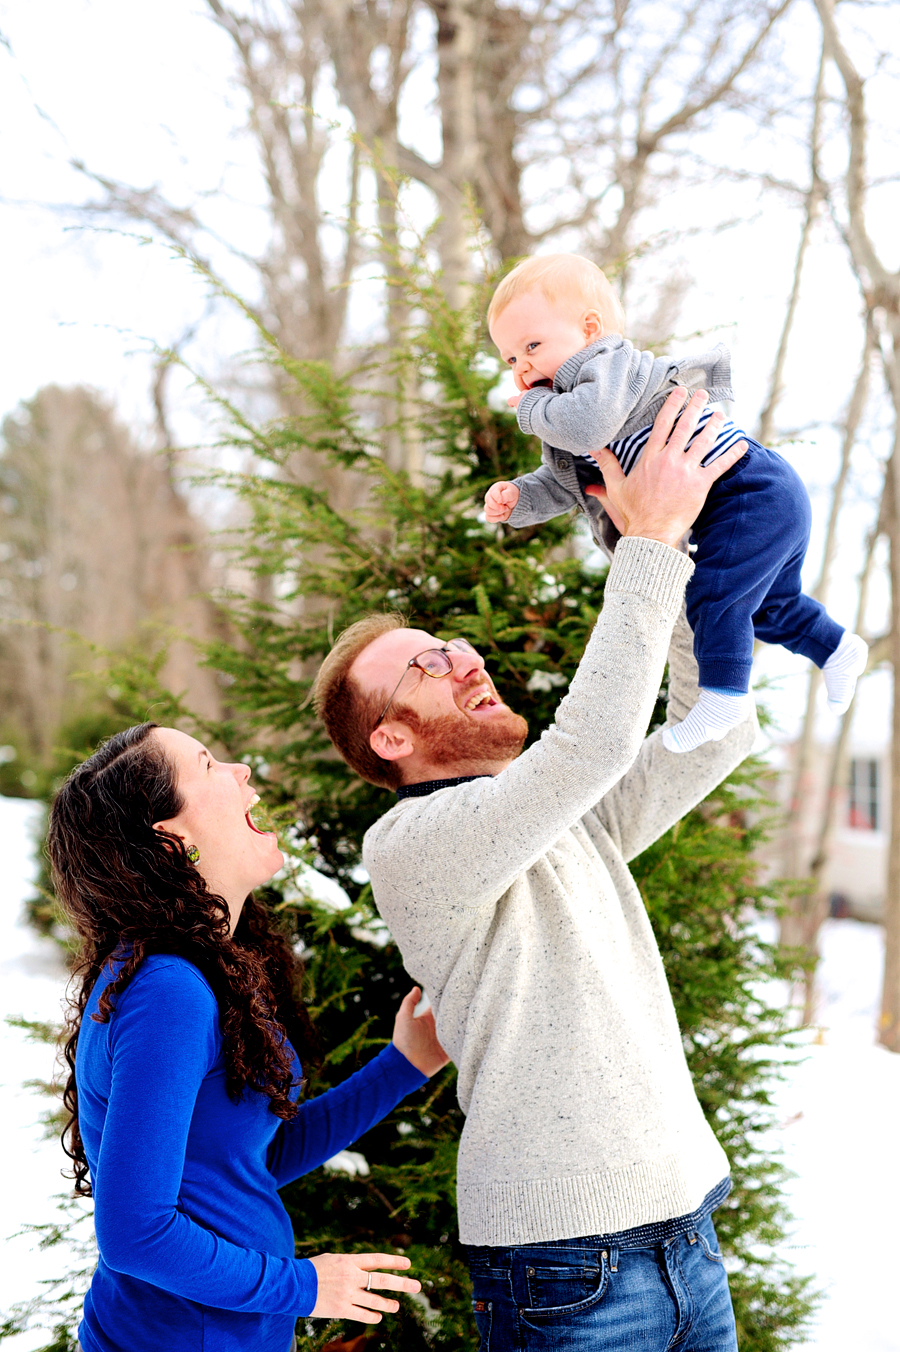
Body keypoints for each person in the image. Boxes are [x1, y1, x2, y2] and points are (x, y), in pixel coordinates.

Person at [312, 391, 757, 1352]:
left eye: (451, 641)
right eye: (429, 663)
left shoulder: (558, 818)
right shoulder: (413, 845)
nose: (464, 655)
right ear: (391, 736)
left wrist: (688, 550)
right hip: (564, 1269)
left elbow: (708, 732)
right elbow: (590, 745)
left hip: (687, 1228)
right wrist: (645, 541)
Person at [48, 722, 449, 1352]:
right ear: (172, 839)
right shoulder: (168, 991)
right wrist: (306, 1287)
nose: (243, 775)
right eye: (208, 766)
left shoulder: (195, 972)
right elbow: (135, 1234)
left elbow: (244, 1162)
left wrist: (403, 1065)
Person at [483, 252, 867, 753]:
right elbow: (573, 484)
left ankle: (723, 694)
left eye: (532, 345)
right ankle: (836, 648)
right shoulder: (566, 410)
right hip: (757, 502)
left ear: (590, 329)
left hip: (750, 490)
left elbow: (591, 425)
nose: (523, 366)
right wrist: (521, 498)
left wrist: (532, 407)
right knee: (769, 607)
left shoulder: (607, 367)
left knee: (715, 595)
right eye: (511, 358)